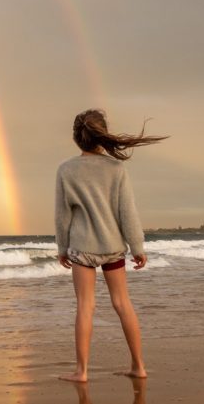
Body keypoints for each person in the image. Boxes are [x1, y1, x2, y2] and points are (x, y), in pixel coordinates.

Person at [55, 108, 169, 383]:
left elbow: (63, 215)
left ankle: (81, 371)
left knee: (85, 306)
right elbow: (126, 212)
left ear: (76, 138)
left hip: (82, 249)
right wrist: (138, 247)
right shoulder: (116, 169)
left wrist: (62, 248)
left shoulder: (66, 170)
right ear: (102, 135)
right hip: (113, 248)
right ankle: (138, 366)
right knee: (122, 303)